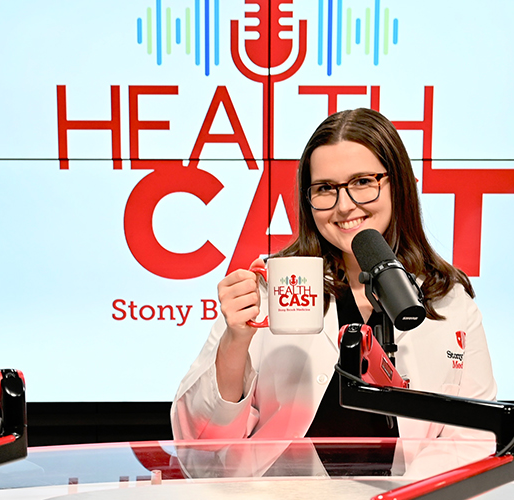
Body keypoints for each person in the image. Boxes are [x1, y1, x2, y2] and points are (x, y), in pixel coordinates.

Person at [172, 108, 496, 443]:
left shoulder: (449, 299)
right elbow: (200, 442)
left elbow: (475, 439)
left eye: (362, 182)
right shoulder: (273, 286)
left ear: (398, 185)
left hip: (410, 495)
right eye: (326, 188)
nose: (344, 206)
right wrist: (234, 342)